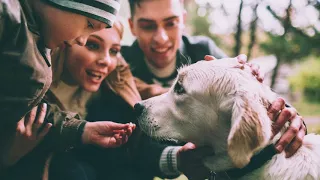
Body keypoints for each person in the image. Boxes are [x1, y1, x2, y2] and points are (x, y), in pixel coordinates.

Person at [122, 0, 307, 179]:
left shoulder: (203, 50)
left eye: (170, 23)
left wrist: (289, 118)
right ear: (132, 26)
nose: (161, 38)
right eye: (148, 26)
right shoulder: (116, 65)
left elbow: (243, 94)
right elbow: (127, 150)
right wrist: (176, 159)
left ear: (183, 20)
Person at [0, 0, 137, 179]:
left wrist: (82, 130)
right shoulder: (10, 23)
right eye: (89, 25)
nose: (81, 39)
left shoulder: (36, 40)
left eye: (114, 51)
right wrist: (9, 155)